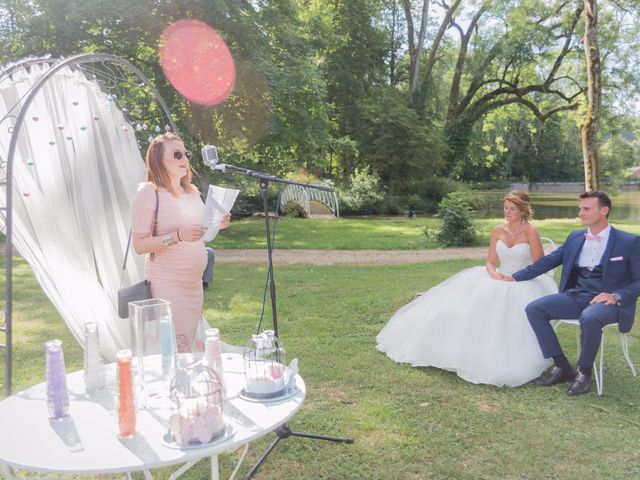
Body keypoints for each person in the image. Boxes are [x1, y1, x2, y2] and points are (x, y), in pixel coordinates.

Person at [376, 190, 556, 386]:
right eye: (505, 208)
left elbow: (539, 266)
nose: (507, 212)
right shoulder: (498, 230)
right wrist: (495, 274)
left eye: (512, 209)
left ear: (522, 210)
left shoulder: (531, 232)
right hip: (497, 277)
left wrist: (514, 277)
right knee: (461, 306)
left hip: (523, 281)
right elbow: (490, 262)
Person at [501, 191, 640, 395]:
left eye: (586, 209)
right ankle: (563, 366)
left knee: (590, 317)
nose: (580, 213)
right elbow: (548, 262)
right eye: (580, 208)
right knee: (535, 309)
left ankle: (584, 373)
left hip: (609, 302)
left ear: (604, 211)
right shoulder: (576, 236)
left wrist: (616, 295)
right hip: (577, 295)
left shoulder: (628, 242)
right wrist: (514, 277)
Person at [131, 133, 230, 352]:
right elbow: (140, 245)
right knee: (173, 349)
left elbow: (202, 233)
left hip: (194, 284)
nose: (184, 159)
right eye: (177, 155)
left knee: (185, 346)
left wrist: (217, 224)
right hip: (168, 283)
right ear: (158, 160)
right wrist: (177, 236)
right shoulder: (148, 193)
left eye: (186, 153)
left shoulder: (191, 192)